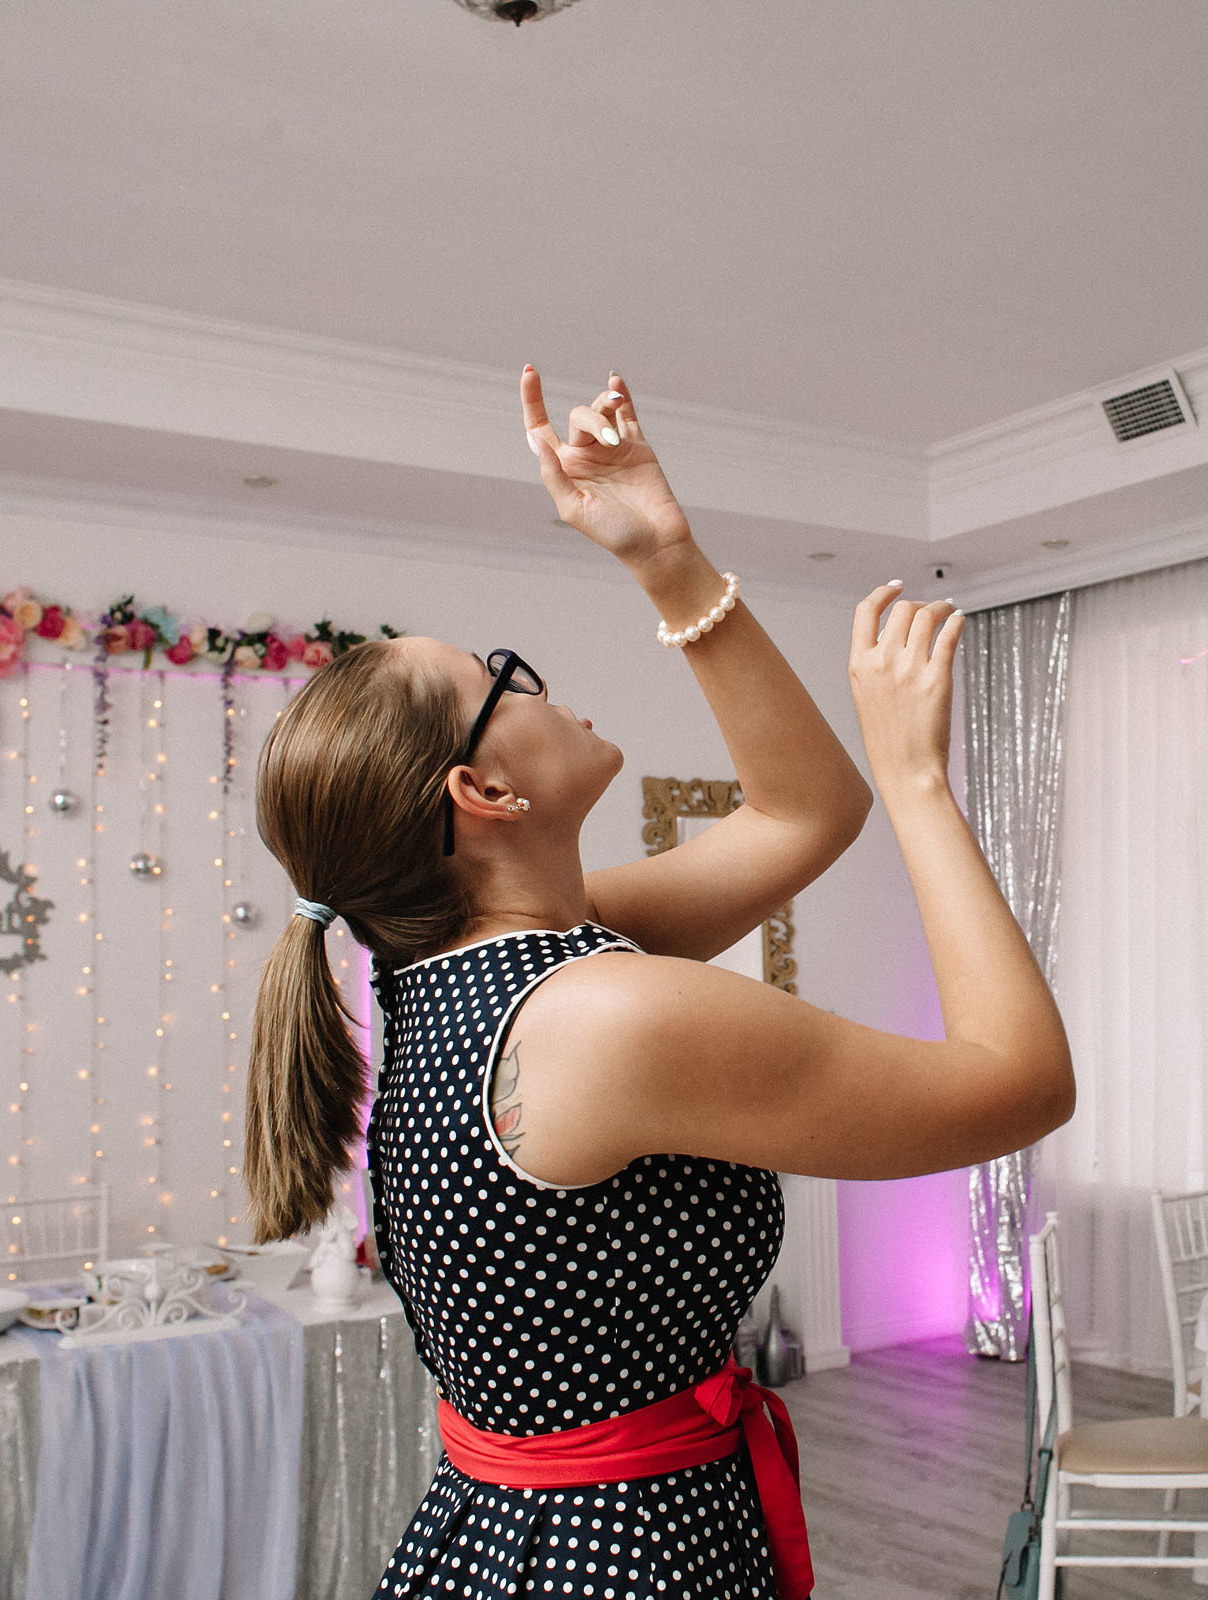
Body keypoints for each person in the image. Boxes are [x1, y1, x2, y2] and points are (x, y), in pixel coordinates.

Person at [245, 366, 1073, 1600]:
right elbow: (1020, 1086)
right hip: (618, 1560)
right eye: (498, 680)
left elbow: (800, 813)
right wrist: (922, 785)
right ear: (485, 794)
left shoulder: (481, 967)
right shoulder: (601, 1016)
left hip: (549, 1533)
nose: (530, 684)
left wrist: (665, 557)